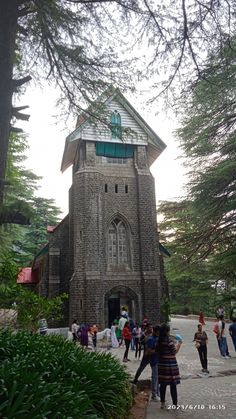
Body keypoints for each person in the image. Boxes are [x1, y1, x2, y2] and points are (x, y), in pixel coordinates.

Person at [158, 323, 182, 409]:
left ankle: (162, 403)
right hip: (170, 364)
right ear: (167, 331)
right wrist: (179, 344)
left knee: (163, 385)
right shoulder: (169, 341)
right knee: (173, 384)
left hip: (161, 364)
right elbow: (174, 351)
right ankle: (175, 404)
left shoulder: (159, 340)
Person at [145, 325, 161, 402]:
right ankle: (154, 395)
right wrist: (156, 350)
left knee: (157, 377)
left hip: (158, 360)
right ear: (155, 331)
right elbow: (148, 351)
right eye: (158, 332)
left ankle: (157, 393)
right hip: (154, 360)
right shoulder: (151, 339)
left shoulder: (157, 338)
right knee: (154, 377)